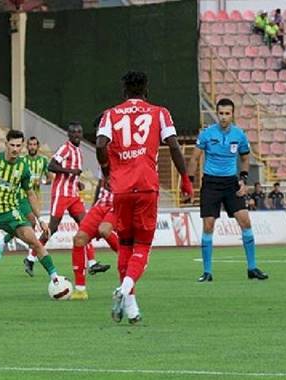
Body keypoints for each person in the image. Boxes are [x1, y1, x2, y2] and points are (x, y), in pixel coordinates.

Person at [97, 71, 193, 323]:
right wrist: (185, 179)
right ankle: (124, 289)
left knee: (125, 246)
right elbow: (173, 145)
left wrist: (108, 171)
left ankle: (132, 309)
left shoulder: (111, 114)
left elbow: (99, 144)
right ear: (146, 91)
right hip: (146, 186)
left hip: (122, 189)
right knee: (141, 247)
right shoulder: (159, 112)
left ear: (124, 92)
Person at [0, 130, 60, 294]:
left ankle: (56, 279)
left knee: (35, 242)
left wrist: (41, 219)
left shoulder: (23, 167)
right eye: (12, 145)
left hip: (11, 212)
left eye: (18, 146)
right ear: (6, 144)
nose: (15, 149)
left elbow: (30, 193)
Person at [187, 98, 267, 283]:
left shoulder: (239, 135)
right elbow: (194, 158)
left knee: (245, 222)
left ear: (232, 114)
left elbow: (245, 159)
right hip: (211, 184)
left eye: (227, 113)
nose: (223, 117)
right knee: (208, 225)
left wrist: (243, 180)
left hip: (231, 183)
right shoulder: (207, 134)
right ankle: (207, 272)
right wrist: (189, 182)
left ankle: (252, 268)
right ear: (217, 114)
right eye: (221, 113)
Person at [26, 124, 109, 277]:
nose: (77, 135)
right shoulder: (65, 148)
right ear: (68, 134)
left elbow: (70, 173)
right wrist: (71, 172)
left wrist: (77, 182)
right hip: (61, 194)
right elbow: (52, 166)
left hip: (73, 195)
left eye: (79, 132)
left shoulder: (78, 150)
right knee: (53, 227)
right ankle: (30, 257)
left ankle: (92, 263)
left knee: (86, 226)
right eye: (73, 132)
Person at [0, 136, 53, 261]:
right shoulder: (22, 161)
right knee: (31, 221)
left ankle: (4, 241)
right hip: (21, 197)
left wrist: (42, 181)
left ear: (38, 147)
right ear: (26, 147)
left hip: (35, 198)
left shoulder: (43, 161)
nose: (32, 147)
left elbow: (50, 178)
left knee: (27, 225)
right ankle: (31, 254)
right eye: (30, 144)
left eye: (34, 144)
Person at [68, 171, 120, 300]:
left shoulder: (130, 160)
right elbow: (100, 183)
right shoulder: (105, 159)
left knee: (105, 231)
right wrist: (93, 207)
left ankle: (131, 259)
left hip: (118, 206)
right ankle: (80, 290)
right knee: (79, 239)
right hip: (100, 206)